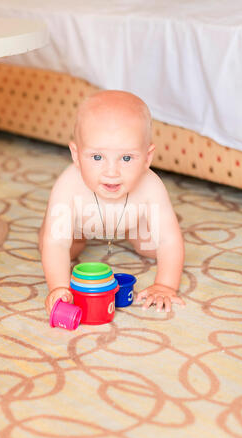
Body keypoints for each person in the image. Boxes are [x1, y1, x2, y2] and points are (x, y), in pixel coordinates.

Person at [39, 90, 185, 315]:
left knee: (152, 248)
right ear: (76, 155)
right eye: (97, 157)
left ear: (147, 158)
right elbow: (56, 244)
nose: (111, 172)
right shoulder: (67, 186)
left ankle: (130, 232)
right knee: (61, 246)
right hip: (82, 226)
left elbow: (169, 240)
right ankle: (60, 234)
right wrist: (58, 287)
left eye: (126, 158)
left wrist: (165, 285)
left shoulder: (151, 187)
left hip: (131, 221)